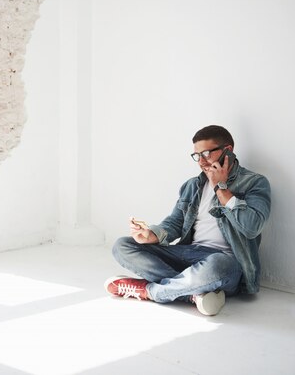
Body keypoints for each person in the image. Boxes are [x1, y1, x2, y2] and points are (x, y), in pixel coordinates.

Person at [104, 125, 271, 316]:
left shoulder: (255, 183)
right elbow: (175, 223)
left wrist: (221, 187)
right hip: (188, 255)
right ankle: (192, 293)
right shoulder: (193, 185)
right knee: (122, 246)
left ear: (228, 150)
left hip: (224, 262)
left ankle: (151, 291)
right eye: (197, 155)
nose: (201, 161)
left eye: (207, 153)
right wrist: (151, 234)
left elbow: (252, 227)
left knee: (217, 265)